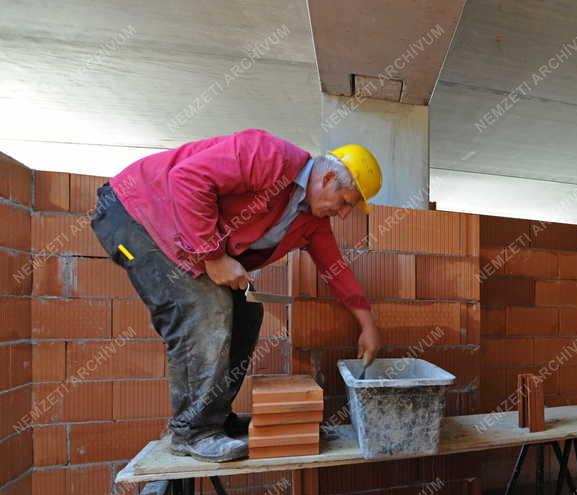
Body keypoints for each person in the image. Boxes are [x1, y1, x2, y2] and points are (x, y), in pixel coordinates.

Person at [90, 129, 383, 462]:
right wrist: (213, 256)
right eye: (345, 202)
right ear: (328, 177)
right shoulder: (270, 155)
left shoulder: (309, 221)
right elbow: (186, 178)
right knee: (205, 307)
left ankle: (214, 417)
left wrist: (367, 324)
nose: (343, 213)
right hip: (136, 213)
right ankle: (191, 431)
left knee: (247, 312)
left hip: (181, 241)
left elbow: (335, 269)